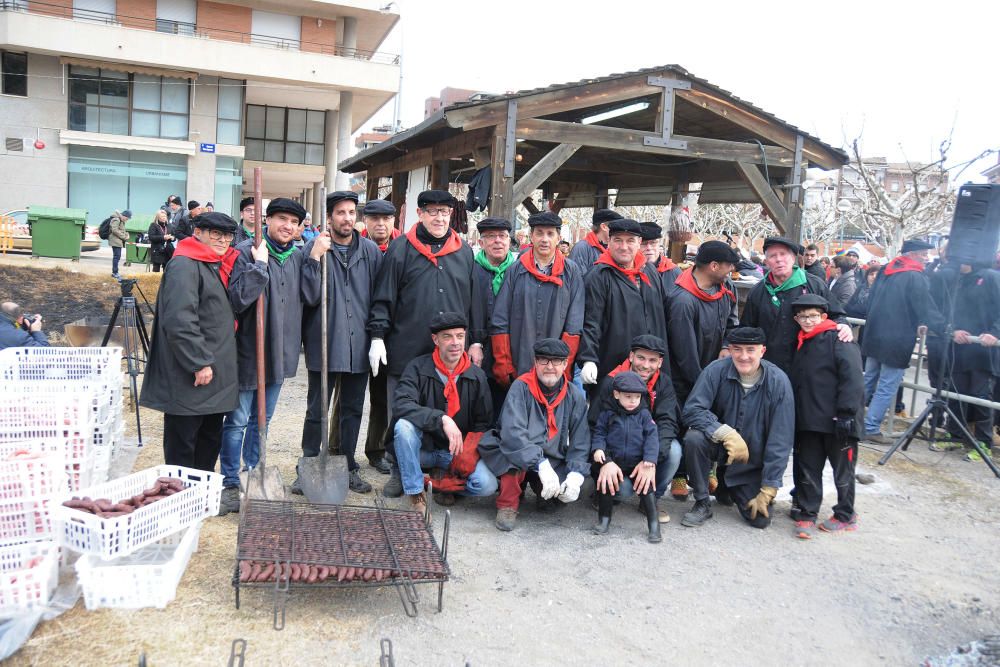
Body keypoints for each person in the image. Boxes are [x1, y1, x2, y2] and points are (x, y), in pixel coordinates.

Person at [219, 199, 322, 515]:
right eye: (282, 219)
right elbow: (238, 299)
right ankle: (229, 483)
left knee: (262, 421)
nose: (288, 226)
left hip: (280, 353)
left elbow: (311, 296)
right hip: (249, 352)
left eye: (294, 221)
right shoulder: (245, 252)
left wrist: (314, 261)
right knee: (237, 421)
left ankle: (253, 471)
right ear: (268, 220)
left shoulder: (296, 257)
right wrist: (258, 266)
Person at [367, 189, 474, 438]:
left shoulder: (464, 252)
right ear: (420, 214)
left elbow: (472, 302)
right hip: (407, 349)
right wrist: (377, 336)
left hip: (449, 354)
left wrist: (476, 340)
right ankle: (400, 465)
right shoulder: (400, 249)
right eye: (432, 211)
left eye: (445, 212)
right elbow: (385, 296)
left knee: (445, 414)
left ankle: (438, 467)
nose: (439, 218)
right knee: (403, 415)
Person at [139, 212, 240, 472]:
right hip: (192, 372)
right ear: (198, 233)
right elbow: (180, 319)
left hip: (214, 372)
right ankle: (180, 496)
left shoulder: (216, 263)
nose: (222, 240)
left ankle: (199, 495)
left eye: (227, 235)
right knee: (183, 444)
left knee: (208, 439)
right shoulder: (185, 264)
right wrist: (198, 362)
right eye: (215, 234)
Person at [298, 191, 382, 494]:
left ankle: (347, 466)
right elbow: (307, 296)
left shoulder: (371, 252)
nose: (347, 218)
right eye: (340, 213)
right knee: (316, 410)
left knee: (352, 410)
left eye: (351, 212)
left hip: (358, 346)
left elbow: (378, 299)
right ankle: (307, 464)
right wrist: (314, 257)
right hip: (325, 344)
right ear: (330, 217)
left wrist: (376, 337)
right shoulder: (314, 247)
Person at [680, 327, 795, 530]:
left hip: (751, 462)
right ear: (730, 350)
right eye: (737, 349)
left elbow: (781, 439)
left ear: (762, 351)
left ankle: (728, 486)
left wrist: (769, 487)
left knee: (759, 520)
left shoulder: (779, 382)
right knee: (694, 438)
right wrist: (725, 433)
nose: (743, 356)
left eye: (750, 350)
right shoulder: (715, 370)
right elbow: (692, 409)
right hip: (720, 448)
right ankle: (702, 501)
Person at [386, 312, 496, 514]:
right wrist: (442, 419)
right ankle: (416, 492)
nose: (455, 343)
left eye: (460, 336)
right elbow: (401, 404)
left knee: (487, 485)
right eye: (448, 336)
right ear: (435, 339)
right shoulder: (417, 368)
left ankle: (442, 484)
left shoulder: (477, 376)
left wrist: (467, 456)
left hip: (454, 454)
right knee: (403, 427)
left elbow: (484, 424)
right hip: (422, 451)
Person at [479, 338, 591, 532]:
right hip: (517, 451)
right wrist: (540, 464)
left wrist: (575, 474)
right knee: (511, 459)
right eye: (543, 361)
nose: (550, 367)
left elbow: (581, 438)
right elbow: (513, 433)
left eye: (556, 361)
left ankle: (541, 492)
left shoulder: (574, 395)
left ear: (565, 364)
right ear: (535, 363)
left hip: (552, 454)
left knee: (575, 489)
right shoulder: (520, 387)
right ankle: (508, 504)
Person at [665, 239, 740, 501]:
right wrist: (705, 383)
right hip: (685, 375)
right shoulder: (682, 299)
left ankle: (708, 469)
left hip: (714, 370)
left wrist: (727, 345)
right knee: (684, 423)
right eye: (728, 266)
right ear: (713, 266)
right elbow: (683, 352)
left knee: (714, 421)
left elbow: (733, 323)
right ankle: (680, 475)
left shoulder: (726, 288)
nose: (731, 271)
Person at [787, 294, 864, 538]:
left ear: (823, 316)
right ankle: (807, 513)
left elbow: (852, 378)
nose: (807, 321)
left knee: (843, 472)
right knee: (809, 469)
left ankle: (845, 513)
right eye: (802, 316)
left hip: (839, 422)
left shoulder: (839, 339)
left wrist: (846, 414)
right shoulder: (801, 341)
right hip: (810, 421)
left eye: (812, 316)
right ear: (796, 319)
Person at [587, 335, 680, 522]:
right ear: (631, 356)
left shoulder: (664, 383)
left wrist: (650, 460)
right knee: (624, 490)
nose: (646, 365)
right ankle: (603, 490)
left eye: (653, 360)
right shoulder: (611, 382)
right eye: (641, 358)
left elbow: (667, 423)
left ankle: (651, 499)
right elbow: (594, 425)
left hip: (646, 450)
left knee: (675, 451)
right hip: (615, 454)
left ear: (660, 362)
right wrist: (606, 461)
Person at [861, 239, 943, 443]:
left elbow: (871, 301)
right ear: (913, 254)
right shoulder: (914, 275)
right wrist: (944, 327)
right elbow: (924, 305)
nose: (926, 258)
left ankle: (851, 421)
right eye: (924, 253)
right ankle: (870, 427)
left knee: (868, 380)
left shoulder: (885, 270)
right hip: (897, 338)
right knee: (887, 385)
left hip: (875, 333)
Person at [490, 211, 584, 385]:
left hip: (555, 367)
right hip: (521, 362)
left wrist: (565, 364)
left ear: (559, 238)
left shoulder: (571, 272)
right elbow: (500, 319)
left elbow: (574, 325)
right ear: (531, 236)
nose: (545, 239)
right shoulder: (515, 271)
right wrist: (503, 364)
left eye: (550, 234)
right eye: (539, 233)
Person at [740, 236, 852, 373]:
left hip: (809, 365)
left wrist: (844, 324)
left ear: (793, 258)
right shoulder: (758, 291)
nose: (778, 259)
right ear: (767, 262)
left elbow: (837, 314)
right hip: (769, 367)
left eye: (783, 254)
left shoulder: (814, 284)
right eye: (773, 256)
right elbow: (747, 327)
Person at [579, 218, 668, 384]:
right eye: (618, 240)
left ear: (639, 242)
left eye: (630, 241)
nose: (624, 247)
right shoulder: (598, 275)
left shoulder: (649, 271)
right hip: (614, 364)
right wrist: (588, 359)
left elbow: (662, 312)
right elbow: (591, 322)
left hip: (651, 365)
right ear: (609, 242)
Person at [929, 255, 1000, 461]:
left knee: (980, 397)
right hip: (959, 348)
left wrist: (995, 333)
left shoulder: (990, 277)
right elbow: (947, 310)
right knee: (954, 392)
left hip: (983, 351)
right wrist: (953, 329)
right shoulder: (956, 279)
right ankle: (955, 434)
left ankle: (983, 443)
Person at [349, 198, 400, 474]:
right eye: (374, 219)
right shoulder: (353, 246)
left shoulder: (402, 248)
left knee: (381, 397)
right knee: (348, 397)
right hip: (356, 331)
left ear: (394, 221)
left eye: (386, 219)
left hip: (388, 335)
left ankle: (377, 449)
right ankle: (338, 448)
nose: (380, 224)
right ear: (365, 221)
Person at [590, 371, 662, 543]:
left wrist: (650, 460)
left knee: (647, 488)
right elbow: (599, 433)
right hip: (614, 461)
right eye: (627, 396)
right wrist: (598, 449)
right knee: (606, 486)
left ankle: (654, 525)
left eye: (636, 397)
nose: (632, 401)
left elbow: (652, 437)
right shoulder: (608, 414)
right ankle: (604, 519)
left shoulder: (644, 415)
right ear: (616, 394)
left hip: (638, 463)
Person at [469, 216, 516, 420]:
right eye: (491, 237)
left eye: (502, 236)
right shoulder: (471, 269)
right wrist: (474, 342)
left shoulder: (519, 270)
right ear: (481, 243)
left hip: (510, 352)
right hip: (478, 351)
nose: (498, 241)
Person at [569, 208, 623, 276]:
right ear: (604, 227)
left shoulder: (614, 248)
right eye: (616, 226)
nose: (619, 229)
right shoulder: (581, 248)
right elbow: (576, 279)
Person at [639, 221, 681, 297]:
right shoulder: (628, 270)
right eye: (643, 243)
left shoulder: (674, 272)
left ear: (659, 245)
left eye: (653, 243)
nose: (649, 248)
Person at [108, 209, 130, 280]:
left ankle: (115, 272)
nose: (127, 220)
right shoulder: (116, 220)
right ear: (124, 216)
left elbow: (122, 230)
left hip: (118, 241)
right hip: (115, 241)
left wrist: (127, 234)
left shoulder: (121, 221)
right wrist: (124, 237)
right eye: (127, 218)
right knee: (116, 256)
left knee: (117, 256)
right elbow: (114, 230)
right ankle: (115, 272)